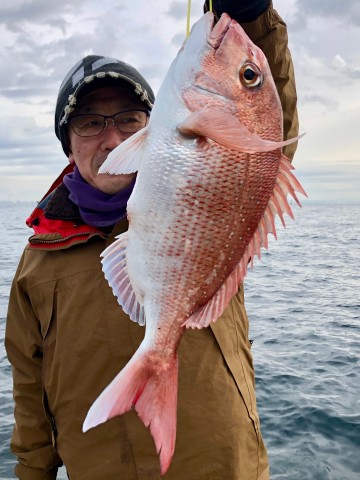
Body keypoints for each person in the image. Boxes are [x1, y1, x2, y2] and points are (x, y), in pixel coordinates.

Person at [5, 1, 299, 479]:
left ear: (154, 125)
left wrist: (251, 18)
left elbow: (262, 137)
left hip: (222, 468)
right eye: (90, 123)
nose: (110, 138)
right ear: (68, 141)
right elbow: (28, 396)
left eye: (128, 119)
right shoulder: (37, 264)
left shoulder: (207, 189)